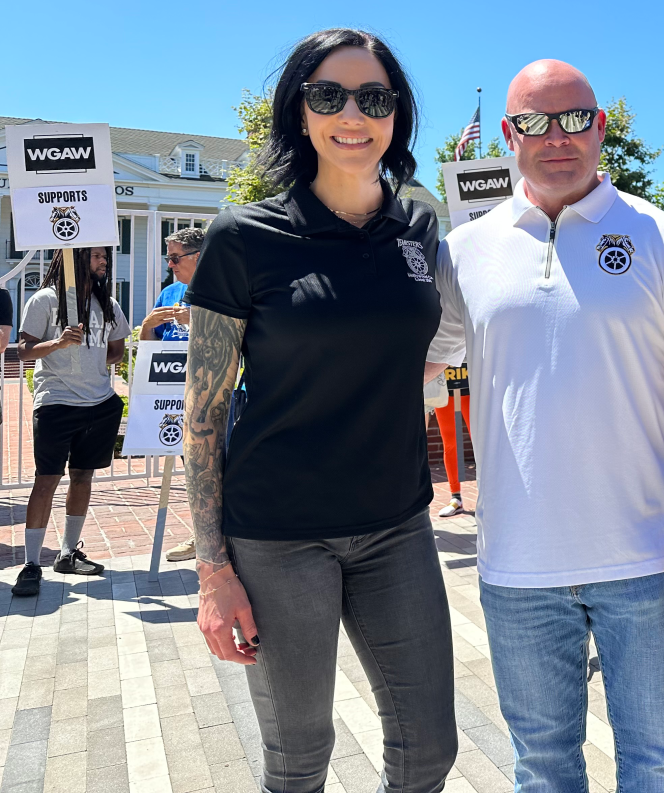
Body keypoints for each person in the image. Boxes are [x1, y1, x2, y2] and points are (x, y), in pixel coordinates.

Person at [425, 60, 664, 792]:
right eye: (534, 122)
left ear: (600, 126)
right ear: (508, 135)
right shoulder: (465, 252)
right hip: (517, 567)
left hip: (646, 560)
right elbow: (418, 366)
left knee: (656, 761)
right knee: (541, 767)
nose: (556, 137)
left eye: (574, 118)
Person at [183, 29, 457, 792]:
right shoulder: (243, 238)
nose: (351, 114)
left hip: (397, 527)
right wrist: (213, 572)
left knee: (429, 750)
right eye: (328, 95)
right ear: (299, 112)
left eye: (373, 98)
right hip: (277, 539)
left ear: (395, 115)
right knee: (299, 757)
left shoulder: (418, 231)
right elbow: (201, 419)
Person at [11, 247, 129, 597]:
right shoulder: (45, 299)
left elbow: (118, 349)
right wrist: (59, 343)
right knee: (46, 481)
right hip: (57, 403)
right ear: (75, 258)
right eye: (95, 255)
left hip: (99, 403)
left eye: (105, 255)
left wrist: (92, 368)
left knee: (83, 477)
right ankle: (31, 564)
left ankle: (67, 552)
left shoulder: (108, 303)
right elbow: (23, 350)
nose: (103, 261)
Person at [147, 226, 202, 563]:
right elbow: (151, 346)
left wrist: (197, 320)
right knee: (193, 473)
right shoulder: (169, 293)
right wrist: (148, 326)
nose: (170, 264)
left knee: (222, 474)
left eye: (175, 257)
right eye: (168, 257)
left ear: (199, 257)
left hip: (216, 399)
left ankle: (236, 545)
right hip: (175, 398)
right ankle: (202, 537)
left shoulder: (224, 290)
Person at [432, 366, 472, 517]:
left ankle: (488, 493)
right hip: (444, 389)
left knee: (479, 441)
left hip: (470, 387)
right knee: (450, 442)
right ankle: (456, 497)